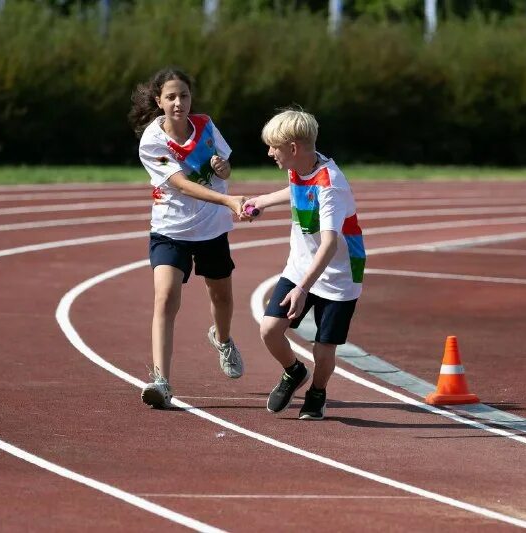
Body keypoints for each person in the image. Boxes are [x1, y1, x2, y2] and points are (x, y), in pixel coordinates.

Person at [128, 67, 249, 409]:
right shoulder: (153, 141)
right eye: (170, 97)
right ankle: (161, 381)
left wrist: (223, 170)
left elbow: (224, 165)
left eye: (183, 95)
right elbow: (180, 183)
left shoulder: (206, 126)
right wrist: (228, 199)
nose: (178, 102)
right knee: (165, 297)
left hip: (211, 229)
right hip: (171, 229)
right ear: (159, 101)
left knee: (222, 299)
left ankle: (222, 340)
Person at [243, 109, 365, 420]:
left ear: (293, 148)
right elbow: (297, 190)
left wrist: (302, 288)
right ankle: (294, 372)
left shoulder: (331, 187)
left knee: (323, 350)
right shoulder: (300, 165)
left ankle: (317, 392)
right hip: (301, 265)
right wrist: (262, 201)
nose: (270, 153)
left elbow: (329, 244)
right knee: (270, 329)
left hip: (339, 275)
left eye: (274, 146)